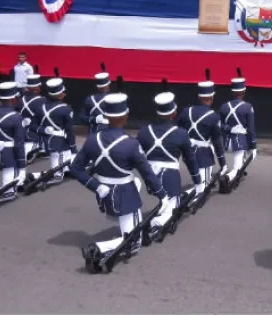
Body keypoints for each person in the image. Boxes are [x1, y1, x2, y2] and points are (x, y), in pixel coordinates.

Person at [69, 93, 170, 257]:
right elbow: (147, 173)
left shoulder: (93, 140)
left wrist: (96, 186)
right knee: (134, 242)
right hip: (124, 195)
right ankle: (97, 249)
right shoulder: (130, 144)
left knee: (135, 183)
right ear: (125, 116)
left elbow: (76, 169)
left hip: (104, 195)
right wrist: (162, 195)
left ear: (107, 116)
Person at [137, 92, 202, 228]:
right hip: (168, 178)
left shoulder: (143, 132)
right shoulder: (181, 134)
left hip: (149, 178)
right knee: (174, 210)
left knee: (168, 202)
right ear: (174, 113)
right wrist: (197, 181)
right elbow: (189, 160)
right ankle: (153, 225)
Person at [177, 80, 227, 188]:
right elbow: (217, 142)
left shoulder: (186, 111)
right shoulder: (213, 116)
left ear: (199, 97)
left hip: (187, 153)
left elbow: (177, 131)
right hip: (202, 155)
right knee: (201, 188)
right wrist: (223, 163)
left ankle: (205, 180)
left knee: (203, 181)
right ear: (212, 97)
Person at [218, 77, 258, 191]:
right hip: (239, 143)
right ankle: (227, 177)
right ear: (244, 91)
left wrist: (228, 128)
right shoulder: (247, 107)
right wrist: (253, 146)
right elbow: (251, 130)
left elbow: (219, 124)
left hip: (226, 143)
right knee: (237, 168)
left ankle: (240, 167)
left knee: (240, 160)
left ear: (232, 91)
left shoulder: (224, 106)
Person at [37, 78, 76, 185]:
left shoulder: (41, 107)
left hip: (47, 141)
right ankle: (56, 173)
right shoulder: (65, 109)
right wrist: (73, 147)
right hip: (61, 143)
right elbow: (69, 130)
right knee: (63, 160)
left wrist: (43, 130)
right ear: (61, 94)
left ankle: (61, 170)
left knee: (56, 157)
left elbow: (32, 126)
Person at [18, 74, 46, 160]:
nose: (40, 88)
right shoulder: (42, 100)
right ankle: (42, 147)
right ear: (36, 88)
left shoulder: (20, 99)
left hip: (21, 132)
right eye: (39, 86)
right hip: (35, 132)